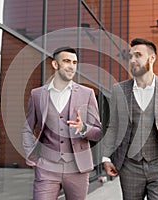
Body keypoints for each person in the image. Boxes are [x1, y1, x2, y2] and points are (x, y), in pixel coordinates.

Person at [102, 38, 158, 200]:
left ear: (152, 58)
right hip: (130, 166)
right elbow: (113, 127)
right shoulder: (119, 89)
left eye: (138, 55)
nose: (132, 60)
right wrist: (106, 157)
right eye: (130, 56)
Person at [22, 46, 102, 200]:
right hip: (46, 166)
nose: (71, 66)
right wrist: (31, 155)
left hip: (77, 168)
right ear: (55, 64)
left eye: (74, 62)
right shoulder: (38, 94)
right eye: (66, 61)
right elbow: (27, 129)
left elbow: (98, 132)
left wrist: (84, 128)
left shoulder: (87, 94)